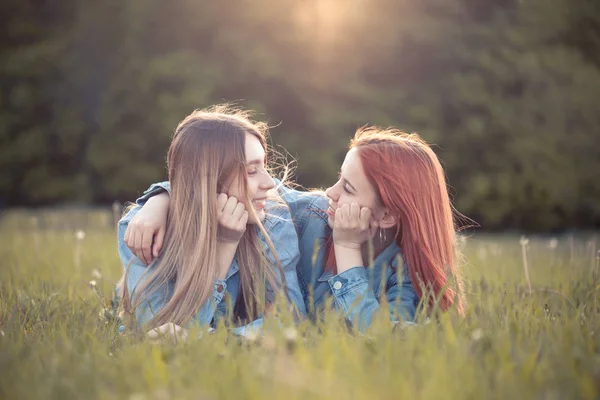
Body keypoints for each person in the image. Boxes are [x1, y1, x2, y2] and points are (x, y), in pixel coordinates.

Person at [127, 126, 466, 332]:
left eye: (347, 188)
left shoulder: (409, 279)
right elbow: (219, 180)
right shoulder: (311, 214)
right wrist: (161, 198)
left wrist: (347, 250)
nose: (328, 193)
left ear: (388, 215)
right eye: (338, 179)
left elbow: (376, 338)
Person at [116, 105, 306, 339]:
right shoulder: (144, 229)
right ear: (210, 179)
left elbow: (290, 320)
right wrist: (224, 246)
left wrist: (212, 338)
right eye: (251, 171)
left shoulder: (272, 218)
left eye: (264, 166)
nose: (269, 182)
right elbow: (157, 331)